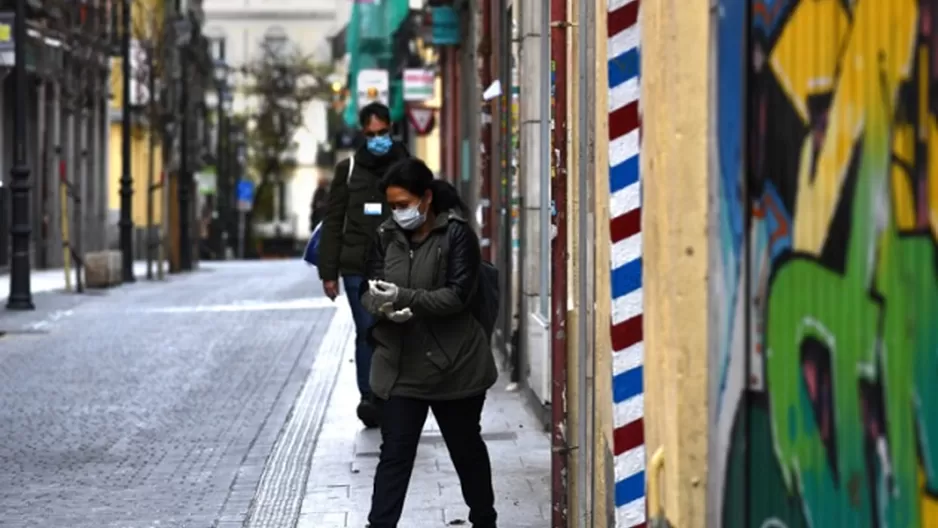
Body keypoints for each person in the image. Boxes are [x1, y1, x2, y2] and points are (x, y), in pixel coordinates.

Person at [361, 158, 499, 528]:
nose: (397, 213)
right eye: (392, 206)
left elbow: (458, 297)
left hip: (455, 365)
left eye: (403, 204)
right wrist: (383, 305)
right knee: (395, 455)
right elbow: (368, 289)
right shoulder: (385, 236)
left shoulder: (456, 235)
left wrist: (405, 297)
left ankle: (485, 520)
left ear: (425, 198)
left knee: (466, 450)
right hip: (401, 365)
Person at [317, 102, 410, 428]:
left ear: (391, 128)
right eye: (371, 134)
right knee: (367, 330)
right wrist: (328, 272)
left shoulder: (406, 165)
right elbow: (333, 221)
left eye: (382, 132)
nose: (377, 139)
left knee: (397, 330)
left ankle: (396, 394)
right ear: (362, 133)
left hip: (399, 264)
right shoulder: (349, 169)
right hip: (357, 266)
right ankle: (370, 398)